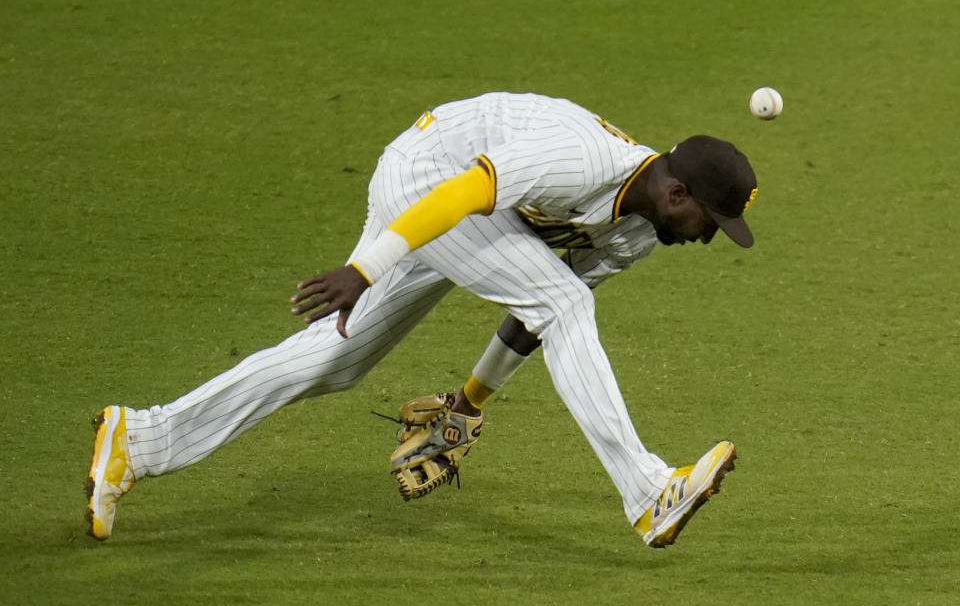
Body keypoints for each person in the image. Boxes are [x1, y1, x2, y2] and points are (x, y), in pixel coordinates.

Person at [86, 92, 758, 547]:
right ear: (677, 193)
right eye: (713, 222)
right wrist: (368, 269)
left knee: (334, 360)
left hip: (472, 213)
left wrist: (467, 404)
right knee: (565, 300)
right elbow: (466, 193)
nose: (710, 238)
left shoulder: (640, 232)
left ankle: (140, 440)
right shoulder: (579, 158)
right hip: (428, 175)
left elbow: (540, 315)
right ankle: (647, 493)